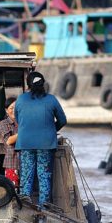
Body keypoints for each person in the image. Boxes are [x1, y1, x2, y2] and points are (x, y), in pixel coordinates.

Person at [14, 71, 67, 205]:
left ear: (28, 85)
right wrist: (50, 130)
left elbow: (18, 119)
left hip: (26, 142)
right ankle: (44, 206)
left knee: (26, 174)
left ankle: (25, 203)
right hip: (46, 143)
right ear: (43, 84)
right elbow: (62, 120)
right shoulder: (51, 99)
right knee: (44, 175)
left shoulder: (20, 99)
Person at [0, 96, 20, 186]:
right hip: (12, 162)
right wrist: (26, 130)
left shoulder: (23, 122)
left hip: (26, 161)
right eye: (11, 108)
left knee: (25, 193)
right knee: (12, 191)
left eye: (16, 108)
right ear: (6, 110)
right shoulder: (3, 123)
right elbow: (9, 141)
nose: (14, 110)